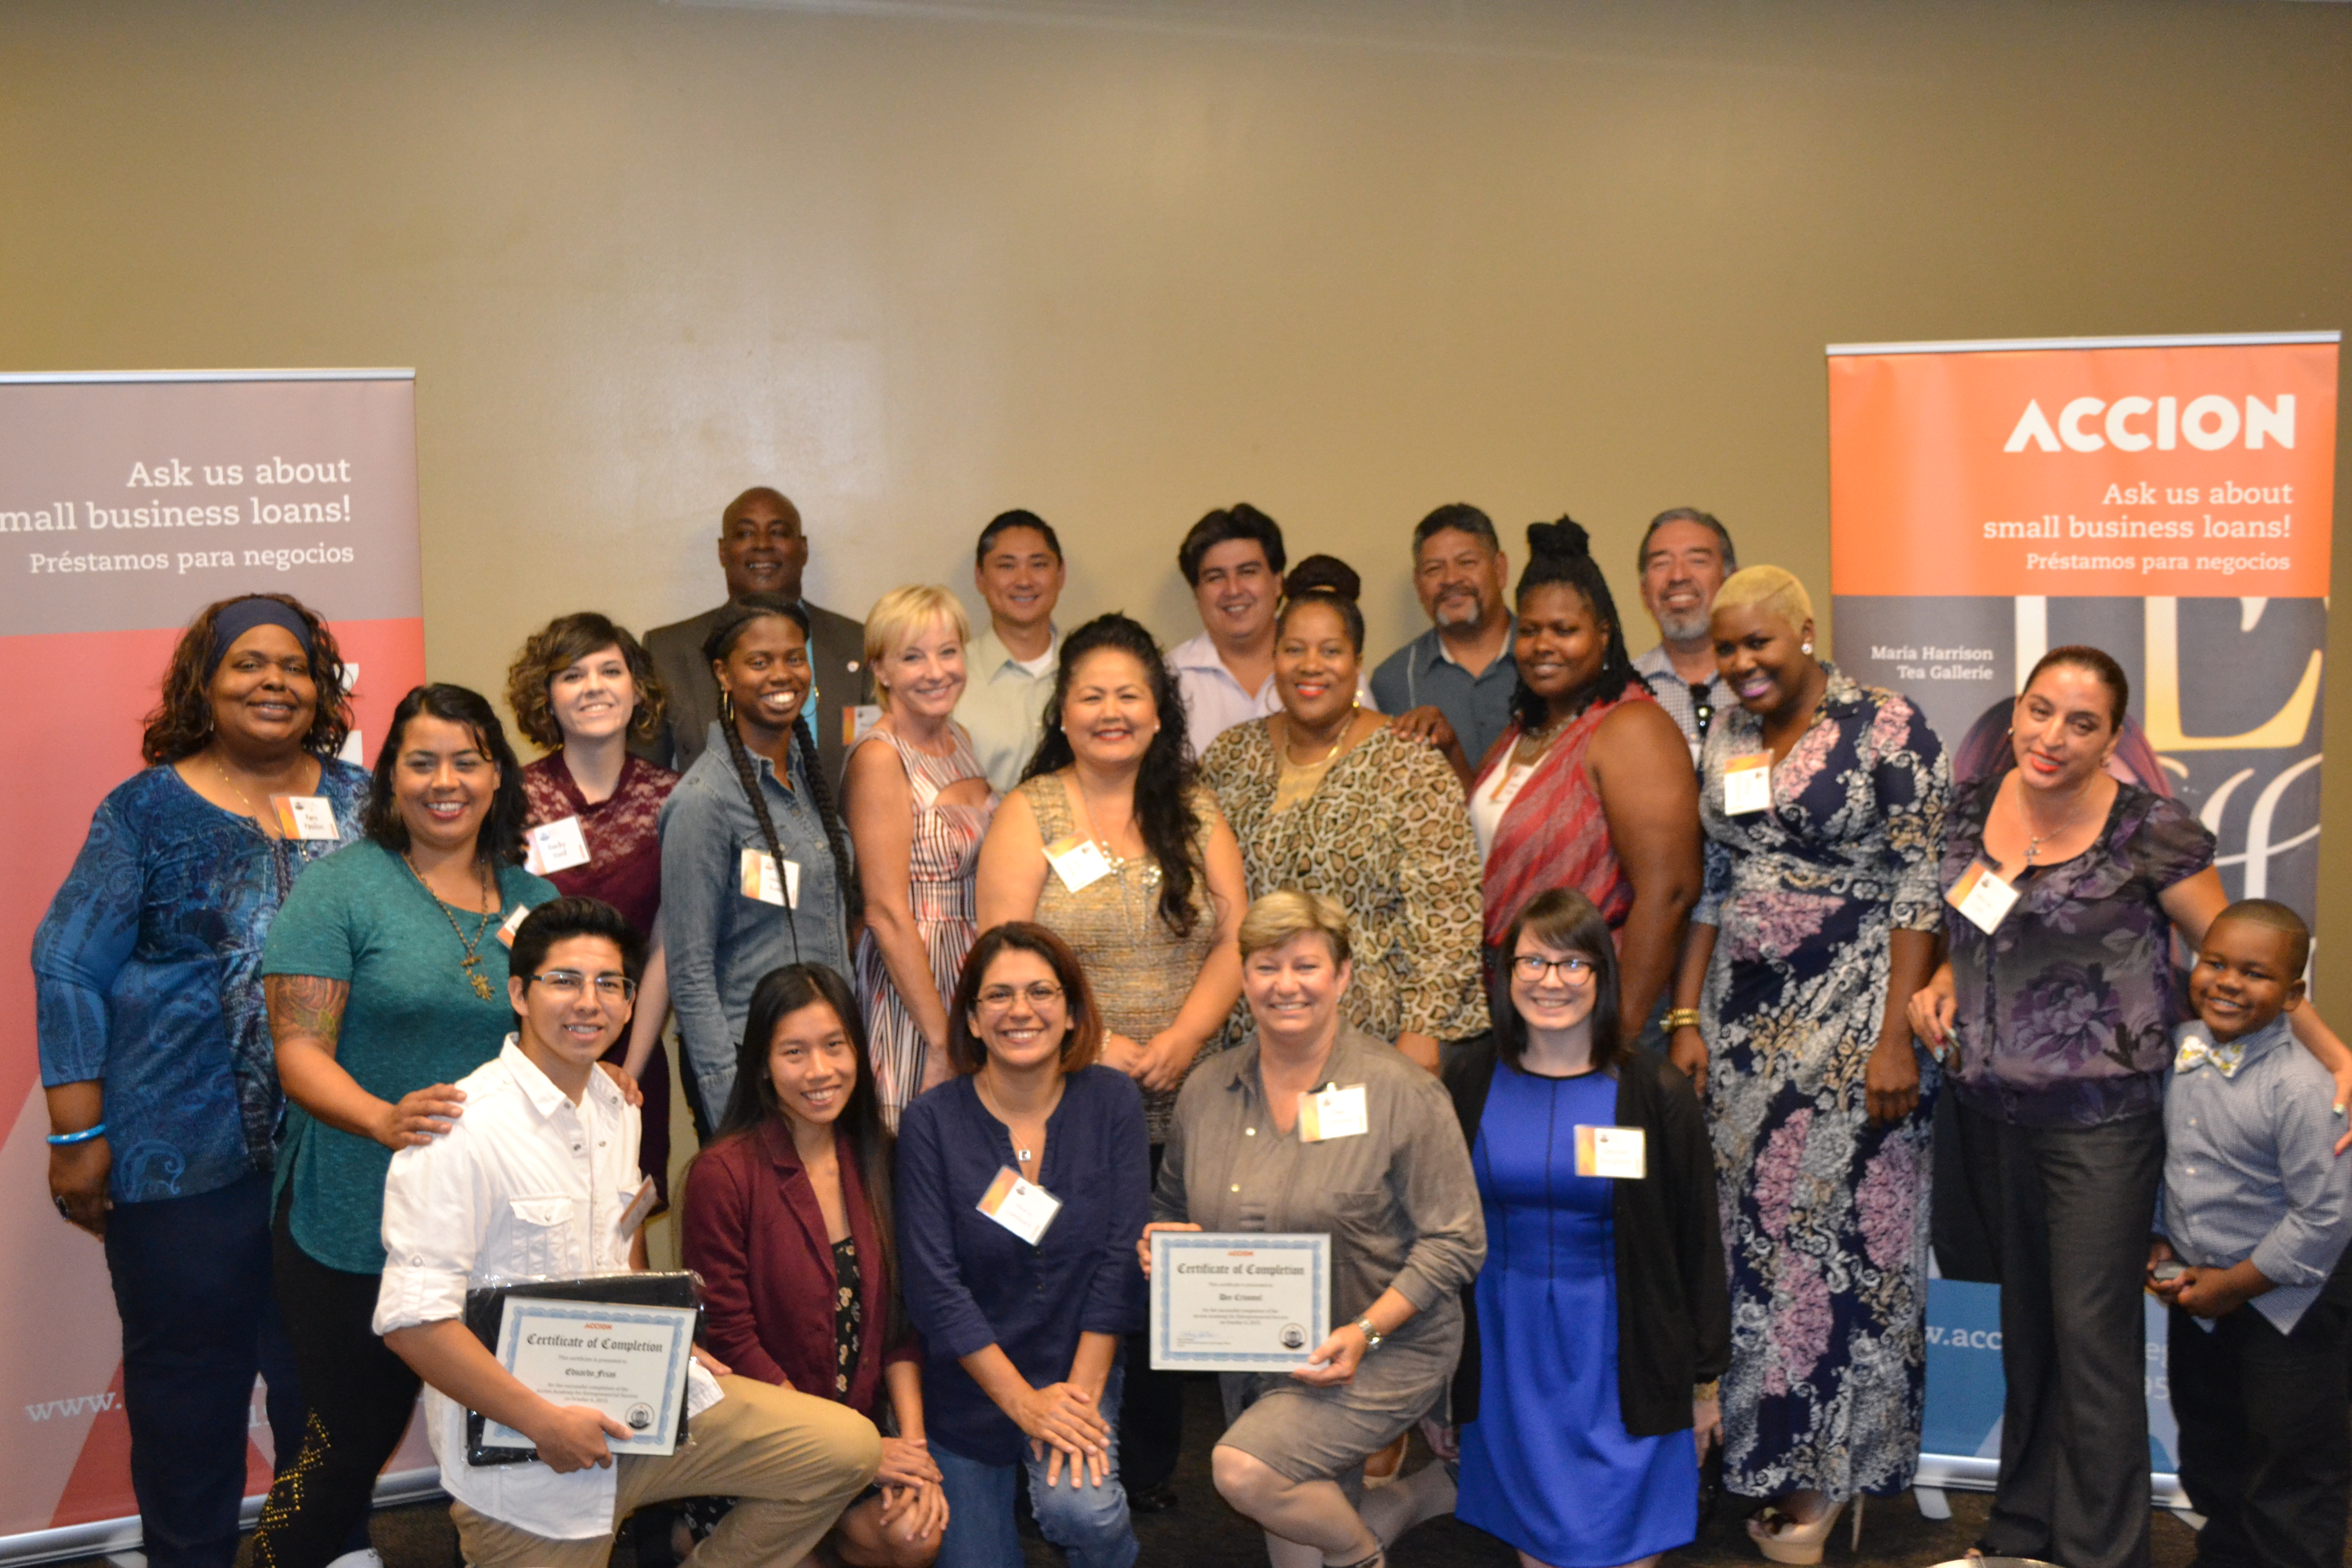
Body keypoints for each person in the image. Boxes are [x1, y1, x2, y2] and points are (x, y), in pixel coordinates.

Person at [1906, 646, 2352, 1568]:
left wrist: (2335, 1054)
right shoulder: (1969, 807)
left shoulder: (2149, 829)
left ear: (2111, 739)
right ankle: (2021, 1534)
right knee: (2026, 1333)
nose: (2051, 736)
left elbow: (2240, 955)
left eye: (2081, 723)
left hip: (2101, 1125)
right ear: (2016, 712)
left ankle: (2102, 1552)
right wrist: (1946, 978)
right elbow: (1979, 927)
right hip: (1991, 1112)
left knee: (2091, 1341)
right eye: (2039, 710)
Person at [374, 898, 885, 1568]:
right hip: (528, 1462)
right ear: (520, 995)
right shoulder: (461, 1129)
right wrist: (541, 1421)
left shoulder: (618, 1108)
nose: (589, 1002)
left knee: (844, 1451)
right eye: (565, 981)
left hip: (637, 1408)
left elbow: (616, 1251)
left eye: (609, 984)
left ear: (630, 1002)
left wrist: (664, 1338)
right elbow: (413, 1324)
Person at [33, 594, 368, 1568]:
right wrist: (76, 1134)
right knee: (187, 1386)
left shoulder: (364, 801)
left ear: (322, 688)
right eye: (248, 663)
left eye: (295, 665)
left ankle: (327, 1544)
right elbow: (67, 963)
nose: (275, 682)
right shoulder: (146, 811)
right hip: (178, 1154)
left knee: (330, 1379)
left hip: (333, 1155)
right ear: (205, 684)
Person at [1665, 566, 1947, 1560]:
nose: (1742, 662)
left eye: (1758, 642)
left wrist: (1896, 1035)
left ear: (1804, 633)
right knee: (1749, 1244)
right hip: (1743, 1031)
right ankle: (1762, 1454)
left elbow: (1921, 882)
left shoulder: (1886, 725)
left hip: (1854, 1024)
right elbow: (1716, 880)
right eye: (1727, 646)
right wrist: (1686, 1015)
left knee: (1836, 1249)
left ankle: (1829, 1476)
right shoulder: (1727, 731)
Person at [248, 683, 560, 1568]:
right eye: (422, 763)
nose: (444, 782)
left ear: (496, 776)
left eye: (466, 761)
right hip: (354, 1216)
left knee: (503, 1450)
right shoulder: (341, 888)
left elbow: (559, 1029)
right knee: (342, 1449)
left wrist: (598, 1072)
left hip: (494, 1226)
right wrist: (383, 1118)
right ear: (391, 779)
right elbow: (298, 1052)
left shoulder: (535, 899)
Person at [975, 610, 1247, 1508]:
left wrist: (1184, 1039)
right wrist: (1092, 1042)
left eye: (1129, 695)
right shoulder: (1030, 810)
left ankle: (1149, 1470)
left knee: (1161, 1275)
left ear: (1159, 712)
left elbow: (1236, 933)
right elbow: (1003, 953)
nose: (1110, 712)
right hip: (1069, 1092)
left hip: (1187, 1091)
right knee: (1069, 1267)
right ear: (1063, 713)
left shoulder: (1193, 809)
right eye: (1090, 695)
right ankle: (1055, 1450)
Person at [1143, 891, 1484, 1568]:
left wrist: (1365, 1334)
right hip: (1262, 1353)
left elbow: (1457, 1242)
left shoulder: (1401, 1091)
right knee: (1299, 1534)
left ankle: (1361, 1556)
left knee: (1247, 1470)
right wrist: (1161, 1246)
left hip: (1385, 1348)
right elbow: (1170, 1205)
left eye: (1306, 966)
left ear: (1342, 975)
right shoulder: (1206, 1092)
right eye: (1267, 967)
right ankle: (1421, 1496)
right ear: (1244, 980)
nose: (1286, 985)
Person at [1438, 888, 1728, 1568]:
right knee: (1538, 1534)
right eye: (1534, 962)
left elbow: (1696, 1243)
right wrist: (1439, 1381)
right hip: (1507, 1346)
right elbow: (1439, 1228)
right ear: (1507, 973)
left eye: (1574, 964)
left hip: (1626, 1345)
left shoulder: (1655, 1092)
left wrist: (1705, 1383)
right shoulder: (1468, 1079)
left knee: (1623, 1532)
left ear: (1602, 976)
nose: (1552, 981)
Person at [895, 923, 1150, 1568]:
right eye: (999, 995)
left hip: (1077, 1365)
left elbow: (1120, 1263)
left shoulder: (1113, 1102)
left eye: (1041, 991)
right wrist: (1023, 1404)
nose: (1021, 1010)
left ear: (1072, 1012)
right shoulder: (930, 1122)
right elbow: (934, 1287)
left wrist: (1074, 1406)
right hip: (969, 1386)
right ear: (972, 1020)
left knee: (1083, 1512)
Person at [682, 961, 950, 1568]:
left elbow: (902, 1331)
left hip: (865, 1434)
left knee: (918, 1536)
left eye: (834, 1046)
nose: (820, 1071)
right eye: (794, 1052)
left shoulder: (881, 1157)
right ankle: (694, 1535)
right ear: (762, 1066)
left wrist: (914, 1451)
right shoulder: (722, 1175)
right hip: (764, 1440)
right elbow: (732, 1341)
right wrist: (851, 1450)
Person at [1201, 556, 1485, 1075]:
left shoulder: (1409, 762)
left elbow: (1448, 918)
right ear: (1274, 657)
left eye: (1330, 651)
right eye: (1294, 649)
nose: (1311, 665)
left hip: (1372, 1040)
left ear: (1356, 662)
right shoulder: (1230, 756)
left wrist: (1422, 1033)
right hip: (1246, 1034)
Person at [2151, 900, 2352, 1568]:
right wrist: (2160, 1240)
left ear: (2293, 995)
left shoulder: (2301, 1087)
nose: (2229, 983)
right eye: (2215, 963)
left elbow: (2325, 1216)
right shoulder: (2181, 1051)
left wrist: (2236, 1285)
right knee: (2213, 1441)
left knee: (2291, 1455)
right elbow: (2173, 1161)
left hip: (2289, 1300)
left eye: (2256, 974)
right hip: (2204, 1293)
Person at [1468, 519, 1700, 1034]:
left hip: (1594, 1008)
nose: (1542, 645)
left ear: (1603, 633)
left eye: (1564, 630)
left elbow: (1671, 892)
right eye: (1530, 631)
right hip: (1516, 1004)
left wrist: (1620, 1031)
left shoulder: (1631, 728)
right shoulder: (1524, 730)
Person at [660, 595, 859, 1129]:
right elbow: (690, 973)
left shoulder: (806, 778)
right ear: (724, 675)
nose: (782, 675)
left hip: (824, 1064)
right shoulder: (703, 802)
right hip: (750, 1069)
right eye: (759, 661)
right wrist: (728, 1100)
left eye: (794, 658)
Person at [507, 611, 680, 1204]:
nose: (594, 687)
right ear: (547, 697)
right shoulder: (511, 800)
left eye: (610, 671)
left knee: (625, 1210)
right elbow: (500, 927)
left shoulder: (674, 800)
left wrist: (629, 1064)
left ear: (637, 689)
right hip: (534, 1048)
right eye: (572, 675)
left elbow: (667, 945)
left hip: (634, 1044)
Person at [844, 586, 996, 1126]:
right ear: (881, 670)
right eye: (913, 657)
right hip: (915, 986)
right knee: (915, 1144)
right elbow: (885, 911)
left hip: (973, 970)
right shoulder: (880, 758)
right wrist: (940, 1037)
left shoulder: (960, 738)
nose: (936, 672)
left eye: (948, 652)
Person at [642, 486, 872, 782]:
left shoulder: (859, 643)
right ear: (723, 551)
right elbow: (644, 780)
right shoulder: (666, 652)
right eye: (745, 534)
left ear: (803, 549)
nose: (762, 545)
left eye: (778, 532)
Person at [1369, 503, 1518, 777]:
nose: (1451, 579)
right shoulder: (1393, 681)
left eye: (1467, 563)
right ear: (1418, 583)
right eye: (1434, 569)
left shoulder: (1550, 659)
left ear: (1500, 569)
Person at [954, 510, 1067, 794]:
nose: (1024, 581)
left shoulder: (1091, 669)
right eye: (1007, 566)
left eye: (1039, 565)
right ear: (980, 578)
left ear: (1061, 574)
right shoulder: (949, 677)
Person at [1168, 503, 1288, 759]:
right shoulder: (1168, 680)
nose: (1233, 590)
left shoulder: (1327, 668)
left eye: (1248, 572)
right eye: (1215, 577)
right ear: (1197, 593)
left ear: (1278, 583)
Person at [1629, 508, 1736, 762]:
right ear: (1644, 591)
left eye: (1697, 561)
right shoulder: (1623, 692)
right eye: (1661, 564)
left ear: (1731, 580)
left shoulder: (1764, 683)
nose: (1678, 576)